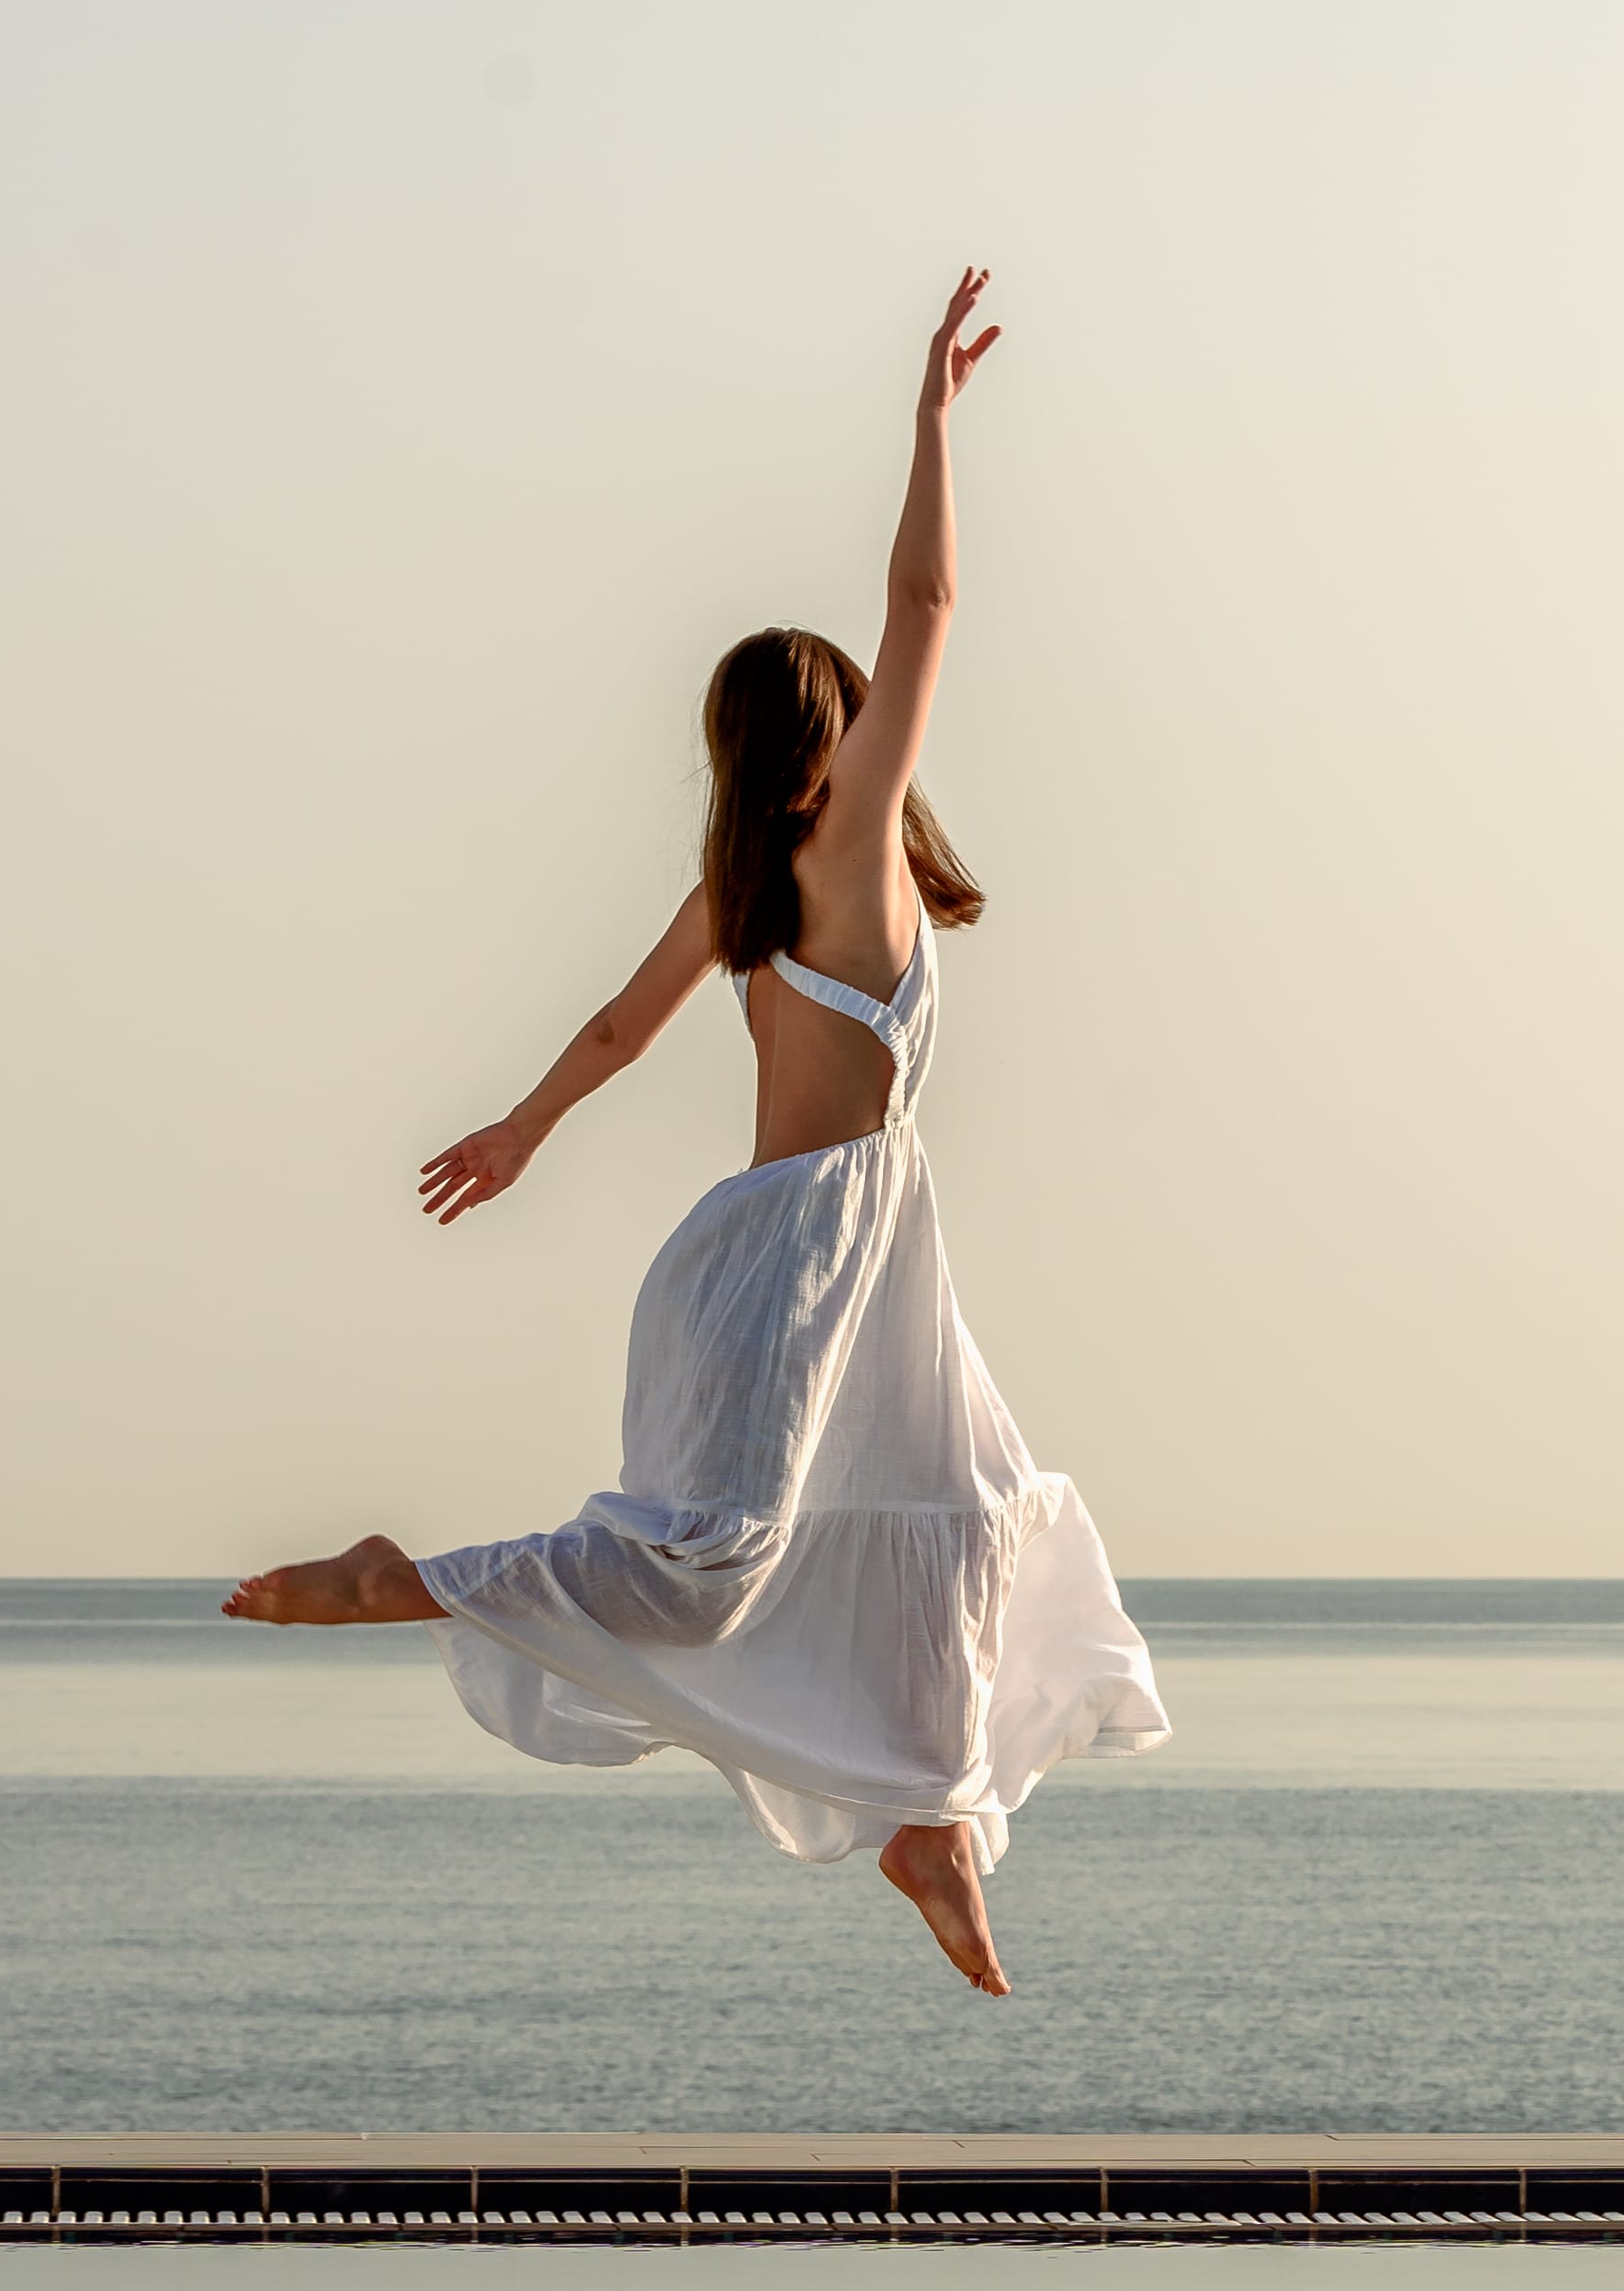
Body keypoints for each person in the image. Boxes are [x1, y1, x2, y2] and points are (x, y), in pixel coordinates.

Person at [222, 271, 1169, 1997]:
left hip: (846, 1254)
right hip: (794, 1251)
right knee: (715, 1557)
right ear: (829, 745)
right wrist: (932, 427)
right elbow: (931, 594)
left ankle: (930, 1827)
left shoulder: (746, 883)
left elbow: (615, 1027)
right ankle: (408, 1578)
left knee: (956, 1515)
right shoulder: (832, 851)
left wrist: (521, 1132)